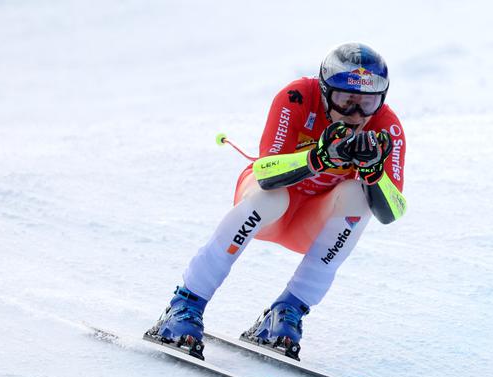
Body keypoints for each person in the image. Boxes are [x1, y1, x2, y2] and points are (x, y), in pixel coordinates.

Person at [146, 42, 407, 360]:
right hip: (268, 208)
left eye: (367, 103)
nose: (355, 115)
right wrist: (318, 156)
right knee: (273, 198)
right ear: (325, 92)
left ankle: (287, 312)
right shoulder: (296, 96)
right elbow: (266, 171)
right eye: (345, 101)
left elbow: (392, 211)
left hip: (310, 224)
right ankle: (186, 304)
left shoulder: (386, 126)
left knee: (357, 198)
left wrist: (373, 171)